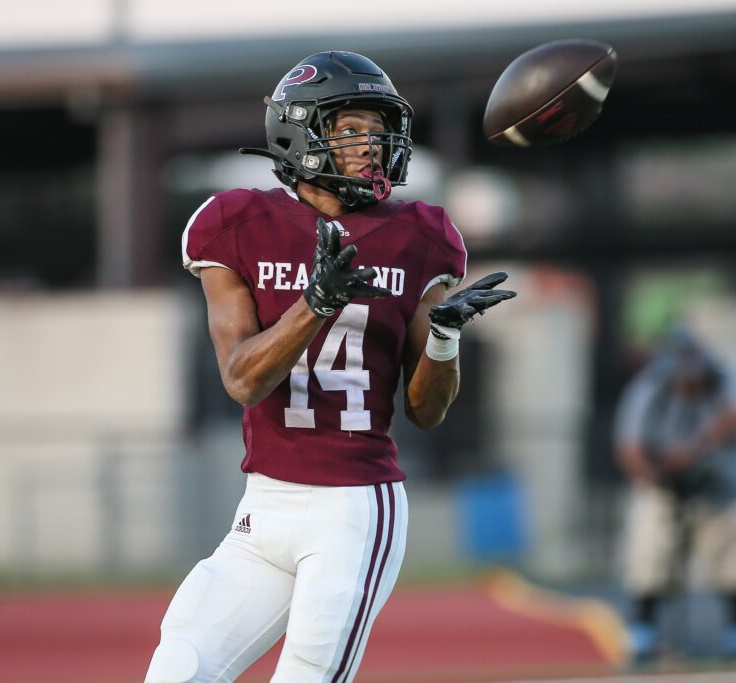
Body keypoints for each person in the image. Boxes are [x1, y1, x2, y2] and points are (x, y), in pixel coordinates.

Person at [145, 51, 515, 682]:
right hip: (264, 509)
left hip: (354, 507)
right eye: (350, 131)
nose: (370, 145)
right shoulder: (236, 223)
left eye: (378, 129)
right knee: (180, 664)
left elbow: (425, 410)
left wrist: (445, 339)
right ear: (300, 131)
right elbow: (241, 378)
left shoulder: (420, 235)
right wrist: (316, 302)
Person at [614, 328, 736, 662]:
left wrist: (693, 450)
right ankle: (644, 632)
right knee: (649, 554)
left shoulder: (726, 379)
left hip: (721, 486)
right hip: (664, 485)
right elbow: (629, 446)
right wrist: (654, 476)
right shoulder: (649, 387)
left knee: (735, 560)